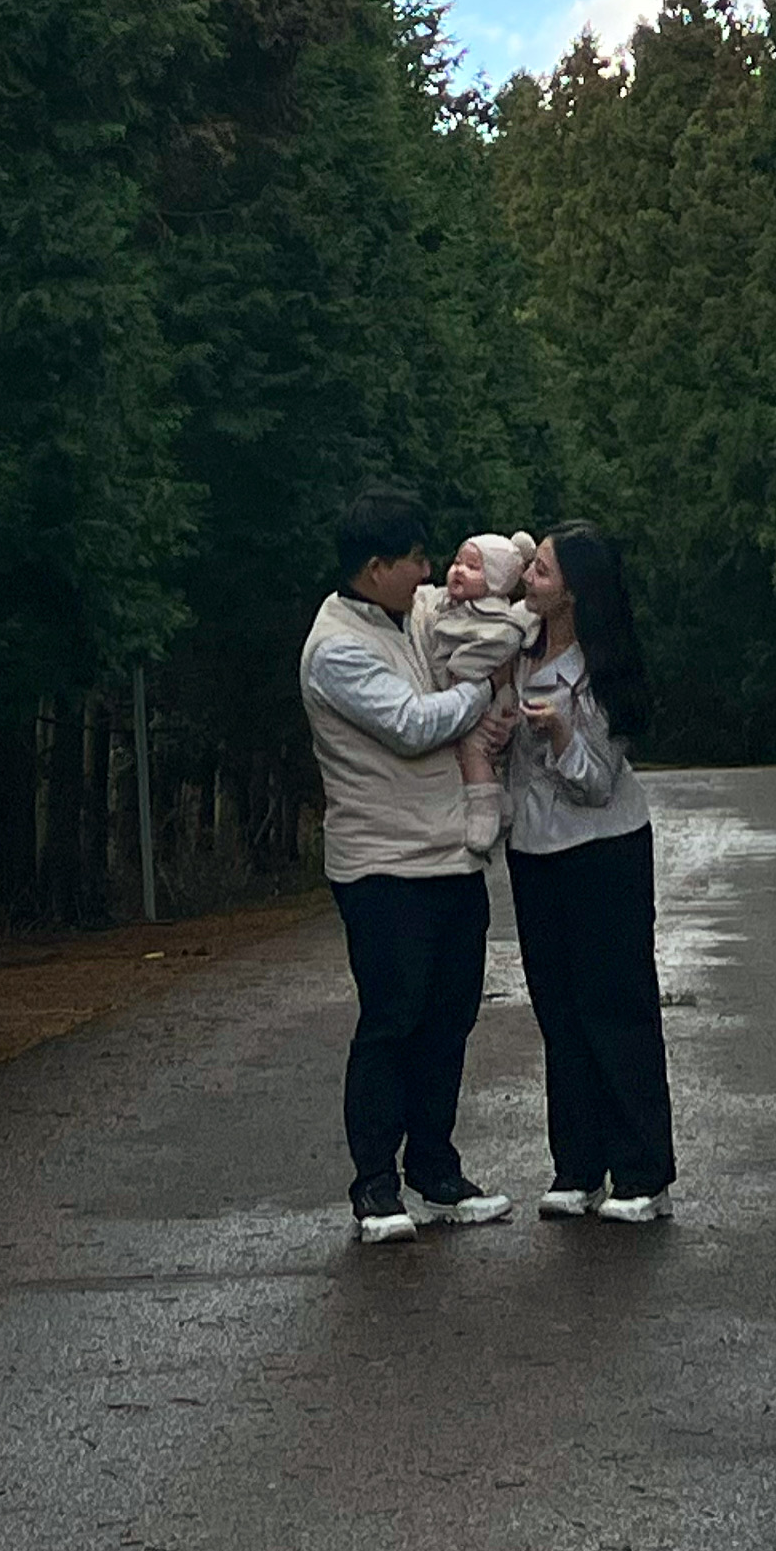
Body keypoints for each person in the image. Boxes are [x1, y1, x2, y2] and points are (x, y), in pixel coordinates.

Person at [297, 483, 516, 1244]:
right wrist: (485, 686)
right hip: (382, 865)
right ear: (375, 567)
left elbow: (478, 610)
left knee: (449, 1021)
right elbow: (415, 725)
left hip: (453, 857)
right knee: (392, 1021)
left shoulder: (415, 610)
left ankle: (436, 1171)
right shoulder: (335, 649)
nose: (429, 571)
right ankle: (375, 1188)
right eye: (416, 559)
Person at [504, 521, 678, 1225]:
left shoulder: (603, 673)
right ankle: (577, 1164)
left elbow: (597, 784)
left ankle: (642, 1171)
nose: (528, 579)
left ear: (573, 592)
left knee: (617, 1007)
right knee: (559, 1009)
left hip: (604, 848)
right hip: (534, 851)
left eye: (542, 571)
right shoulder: (513, 646)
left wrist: (562, 734)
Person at [425, 529, 541, 852]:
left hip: (491, 698)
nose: (459, 570)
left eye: (473, 567)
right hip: (475, 690)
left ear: (496, 580)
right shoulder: (451, 606)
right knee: (466, 750)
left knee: (473, 749)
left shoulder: (499, 621)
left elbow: (494, 649)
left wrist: (462, 669)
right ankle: (499, 802)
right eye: (457, 562)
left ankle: (484, 809)